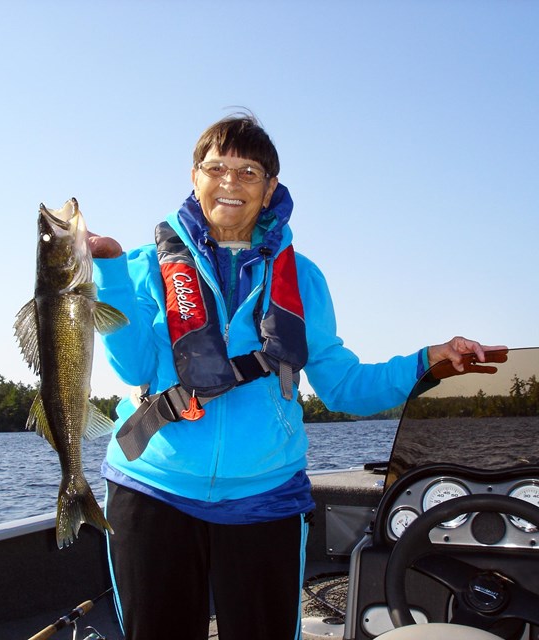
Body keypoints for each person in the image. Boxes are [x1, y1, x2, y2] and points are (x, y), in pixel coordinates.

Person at [88, 114, 503, 640]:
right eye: (217, 168)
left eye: (248, 172)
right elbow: (132, 368)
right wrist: (109, 274)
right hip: (154, 490)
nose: (231, 182)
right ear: (194, 178)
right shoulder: (142, 266)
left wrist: (427, 360)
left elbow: (344, 385)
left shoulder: (303, 277)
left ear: (270, 189)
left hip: (265, 495)